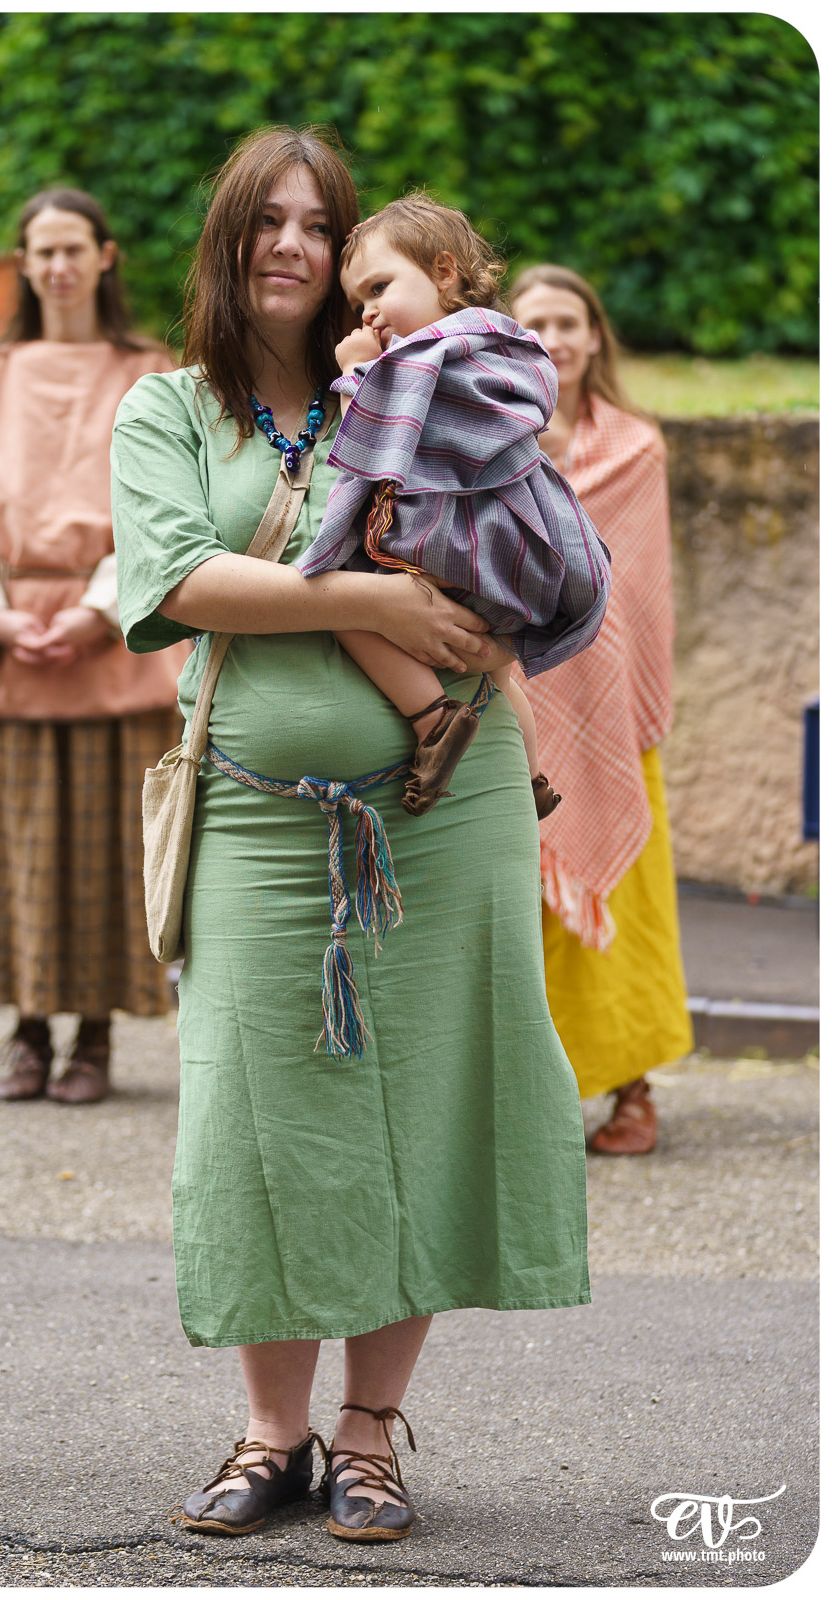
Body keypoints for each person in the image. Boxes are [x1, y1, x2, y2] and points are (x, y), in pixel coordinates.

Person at [111, 125, 590, 1544]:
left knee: (427, 1103)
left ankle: (370, 1431)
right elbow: (176, 578)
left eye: (318, 227)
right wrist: (365, 605)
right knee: (260, 1120)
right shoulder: (166, 409)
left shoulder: (402, 381)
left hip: (448, 813)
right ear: (224, 240)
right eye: (265, 220)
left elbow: (526, 536)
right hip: (262, 824)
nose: (291, 247)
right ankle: (273, 1436)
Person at [0, 187, 189, 1104]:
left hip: (111, 638)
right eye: (42, 250)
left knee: (109, 847)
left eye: (74, 247)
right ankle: (27, 1030)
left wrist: (100, 608)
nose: (59, 265)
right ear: (24, 262)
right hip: (7, 640)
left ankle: (94, 1037)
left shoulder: (147, 372)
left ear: (106, 255)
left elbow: (163, 510)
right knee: (15, 846)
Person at [298, 194, 610, 818]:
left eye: (380, 287)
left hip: (461, 541)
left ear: (444, 273)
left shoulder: (440, 350)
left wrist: (359, 373)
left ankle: (433, 719)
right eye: (359, 302)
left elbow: (403, 431)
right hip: (505, 547)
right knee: (498, 677)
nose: (370, 313)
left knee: (342, 599)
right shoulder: (499, 342)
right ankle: (532, 775)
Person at [509, 264, 694, 1155]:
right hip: (516, 715)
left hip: (608, 718)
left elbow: (639, 597)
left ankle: (631, 1091)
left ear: (593, 337)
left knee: (627, 905)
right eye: (534, 321)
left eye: (568, 321)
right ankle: (530, 1096)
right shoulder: (486, 440)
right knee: (522, 913)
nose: (552, 337)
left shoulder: (635, 448)